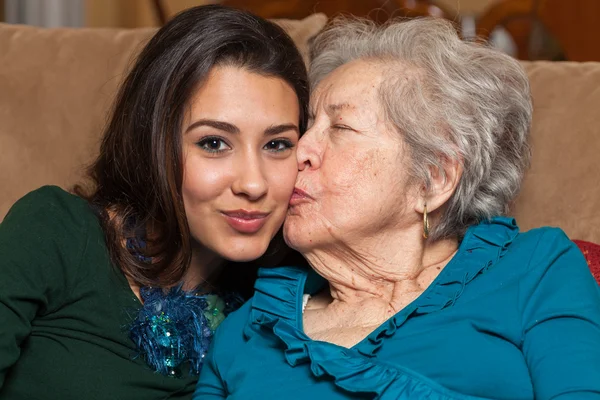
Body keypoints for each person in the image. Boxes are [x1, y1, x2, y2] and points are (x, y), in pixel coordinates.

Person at [195, 17, 600, 399]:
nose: (299, 150)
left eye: (340, 128)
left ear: (433, 179)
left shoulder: (533, 270)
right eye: (306, 128)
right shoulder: (247, 329)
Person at [0, 5, 308, 400]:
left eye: (277, 144)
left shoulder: (284, 299)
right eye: (213, 143)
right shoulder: (57, 231)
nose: (253, 184)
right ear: (154, 145)